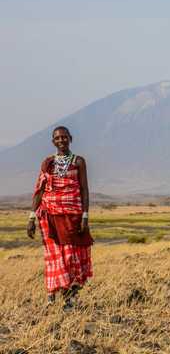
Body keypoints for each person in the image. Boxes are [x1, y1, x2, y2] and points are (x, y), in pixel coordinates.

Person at [27, 126, 93, 310]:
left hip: (73, 215)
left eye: (64, 137)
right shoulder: (48, 163)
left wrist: (85, 215)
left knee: (72, 256)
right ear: (53, 141)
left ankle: (69, 296)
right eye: (57, 138)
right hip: (49, 215)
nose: (61, 140)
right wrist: (32, 217)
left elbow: (84, 189)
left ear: (70, 138)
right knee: (54, 256)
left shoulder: (78, 161)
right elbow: (40, 190)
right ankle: (53, 294)